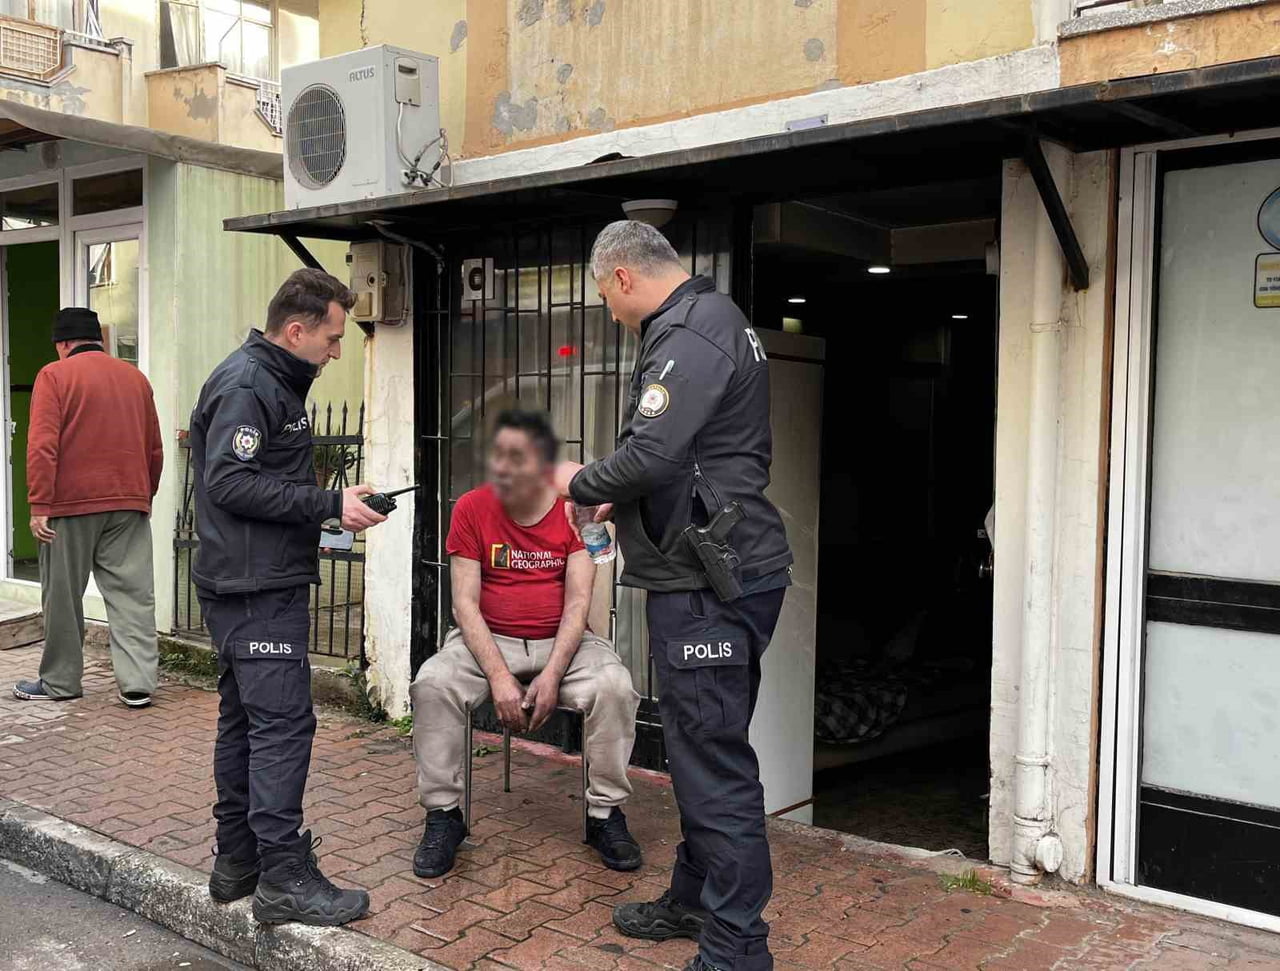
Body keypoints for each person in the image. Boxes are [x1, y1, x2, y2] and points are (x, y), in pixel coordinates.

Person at [554, 221, 792, 971]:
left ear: (622, 276)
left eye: (604, 296)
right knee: (697, 752)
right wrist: (612, 501)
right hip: (706, 573)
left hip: (709, 584)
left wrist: (579, 483)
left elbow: (652, 452)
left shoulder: (689, 329)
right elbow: (676, 459)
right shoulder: (707, 322)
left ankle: (736, 946)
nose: (610, 312)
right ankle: (695, 899)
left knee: (714, 764)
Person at [189, 268, 386, 927]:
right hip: (254, 587)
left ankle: (238, 862)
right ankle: (281, 877)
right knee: (280, 725)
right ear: (295, 330)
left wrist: (330, 505)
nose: (336, 352)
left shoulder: (272, 380)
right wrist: (329, 502)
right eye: (331, 339)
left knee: (246, 720)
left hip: (250, 579)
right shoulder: (252, 382)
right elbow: (231, 483)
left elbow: (259, 478)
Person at [409, 408, 643, 878]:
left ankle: (605, 816)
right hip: (488, 639)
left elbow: (579, 603)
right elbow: (464, 605)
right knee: (433, 683)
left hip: (564, 642)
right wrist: (498, 675)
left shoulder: (575, 513)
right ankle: (443, 816)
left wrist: (553, 675)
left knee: (614, 686)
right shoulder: (472, 508)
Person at [12, 308, 164, 709]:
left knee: (62, 595)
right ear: (98, 339)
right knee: (133, 596)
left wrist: (39, 503)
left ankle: (61, 681)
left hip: (70, 505)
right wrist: (144, 495)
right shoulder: (136, 379)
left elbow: (42, 444)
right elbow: (155, 446)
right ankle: (138, 683)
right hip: (128, 501)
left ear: (62, 344)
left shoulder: (54, 376)